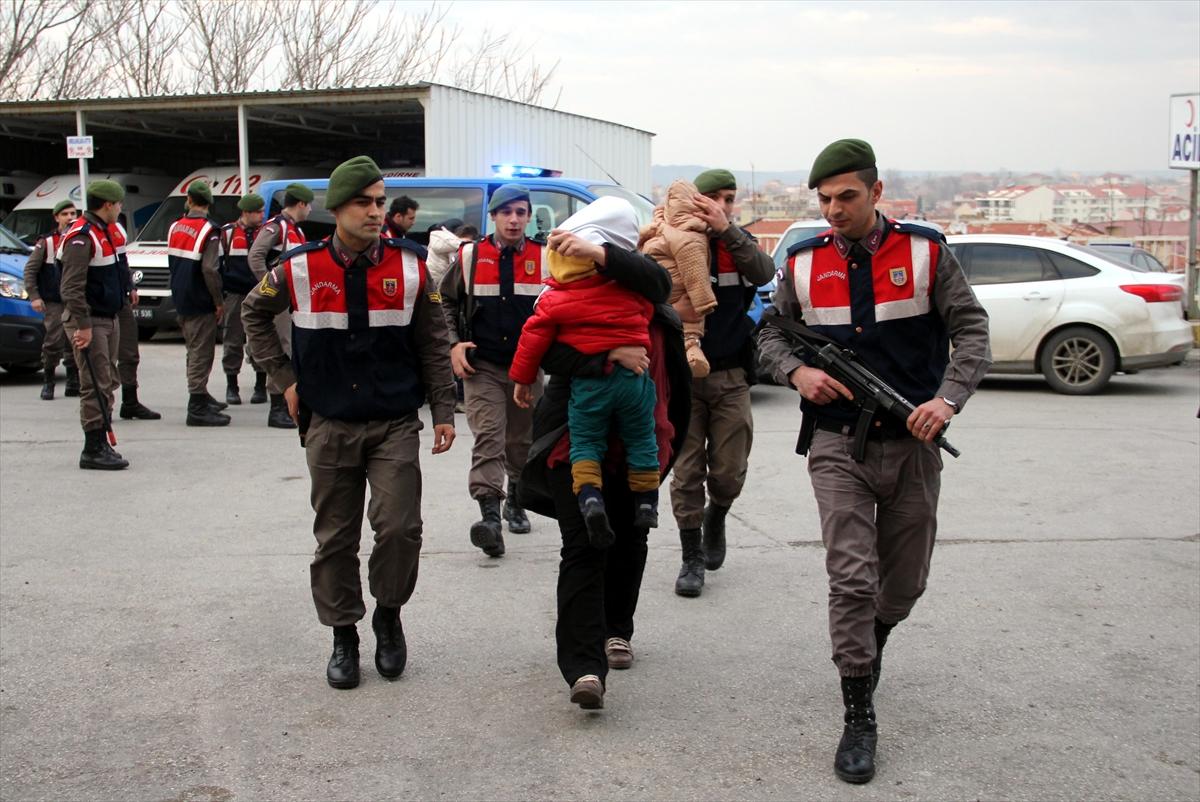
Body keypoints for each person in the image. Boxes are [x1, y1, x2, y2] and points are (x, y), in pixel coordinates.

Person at [757, 139, 991, 784]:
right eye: (825, 199)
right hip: (837, 444)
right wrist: (797, 371)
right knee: (851, 576)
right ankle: (858, 711)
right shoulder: (802, 263)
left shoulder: (924, 252)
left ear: (877, 192)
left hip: (913, 440)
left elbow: (971, 328)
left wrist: (946, 401)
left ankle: (873, 641)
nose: (834, 209)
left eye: (847, 197)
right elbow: (770, 333)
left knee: (904, 582)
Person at [242, 155, 456, 690]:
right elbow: (253, 313)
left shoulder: (412, 265)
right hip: (329, 423)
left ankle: (388, 615)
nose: (376, 212)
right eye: (365, 202)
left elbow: (433, 342)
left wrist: (445, 410)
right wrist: (284, 379)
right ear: (336, 209)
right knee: (335, 538)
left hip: (394, 423)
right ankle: (343, 633)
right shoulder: (298, 265)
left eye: (381, 202)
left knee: (401, 529)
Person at [517, 225, 689, 710]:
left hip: (641, 446)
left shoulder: (651, 300)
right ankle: (583, 667)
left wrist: (602, 253)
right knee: (584, 547)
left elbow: (657, 280)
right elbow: (542, 351)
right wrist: (606, 355)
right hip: (574, 446)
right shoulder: (565, 294)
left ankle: (618, 630)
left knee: (631, 539)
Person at [510, 197, 660, 541]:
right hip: (635, 380)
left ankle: (590, 497)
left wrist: (521, 378)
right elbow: (649, 310)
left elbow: (532, 340)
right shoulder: (628, 289)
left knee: (586, 442)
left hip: (590, 386)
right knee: (641, 437)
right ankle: (647, 502)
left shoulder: (555, 298)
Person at [668, 168, 775, 597]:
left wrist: (728, 230)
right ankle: (691, 556)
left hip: (730, 374)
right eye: (714, 198)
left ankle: (718, 514)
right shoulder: (673, 239)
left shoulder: (738, 244)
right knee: (687, 470)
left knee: (729, 470)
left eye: (729, 199)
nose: (722, 206)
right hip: (684, 377)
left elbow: (765, 273)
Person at [439, 184, 547, 558]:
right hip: (481, 366)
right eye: (506, 212)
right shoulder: (470, 256)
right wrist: (453, 343)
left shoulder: (545, 257)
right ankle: (489, 519)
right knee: (488, 437)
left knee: (521, 441)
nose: (514, 220)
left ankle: (514, 499)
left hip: (527, 369)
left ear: (529, 217)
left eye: (520, 212)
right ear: (493, 216)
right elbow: (444, 304)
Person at [58, 180, 132, 470]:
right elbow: (71, 288)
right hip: (90, 321)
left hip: (107, 317)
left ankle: (100, 439)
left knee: (107, 381)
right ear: (108, 205)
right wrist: (84, 325)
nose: (120, 209)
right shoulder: (82, 236)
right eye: (119, 204)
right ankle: (93, 448)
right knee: (95, 383)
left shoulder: (104, 232)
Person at [248, 182, 313, 429]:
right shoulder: (277, 227)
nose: (310, 211)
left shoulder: (295, 230)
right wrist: (270, 290)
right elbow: (255, 256)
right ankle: (277, 407)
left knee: (291, 347)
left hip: (294, 300)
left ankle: (284, 404)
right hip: (281, 301)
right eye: (309, 206)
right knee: (282, 347)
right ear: (301, 204)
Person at [167, 180, 229, 427]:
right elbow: (210, 270)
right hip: (201, 299)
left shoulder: (175, 226)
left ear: (189, 200)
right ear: (208, 204)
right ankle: (197, 406)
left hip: (181, 296)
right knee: (202, 352)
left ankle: (201, 394)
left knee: (193, 349)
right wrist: (218, 301)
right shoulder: (209, 230)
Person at [639, 179, 716, 377]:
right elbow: (696, 273)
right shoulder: (690, 236)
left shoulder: (664, 231)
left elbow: (695, 272)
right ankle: (692, 351)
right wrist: (704, 303)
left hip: (664, 292)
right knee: (689, 326)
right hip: (675, 293)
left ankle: (692, 352)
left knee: (686, 326)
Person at [24, 199, 76, 400]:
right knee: (53, 340)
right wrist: (35, 296)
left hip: (74, 300)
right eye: (65, 214)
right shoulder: (46, 242)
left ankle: (73, 382)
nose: (70, 218)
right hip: (53, 300)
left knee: (75, 342)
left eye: (73, 213)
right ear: (56, 218)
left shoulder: (80, 237)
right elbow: (30, 270)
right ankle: (49, 381)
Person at [218, 193, 268, 406]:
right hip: (235, 294)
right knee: (232, 339)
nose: (261, 215)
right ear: (246, 212)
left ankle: (260, 385)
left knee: (260, 338)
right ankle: (232, 385)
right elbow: (218, 265)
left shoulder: (265, 232)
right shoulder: (227, 233)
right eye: (258, 212)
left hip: (258, 292)